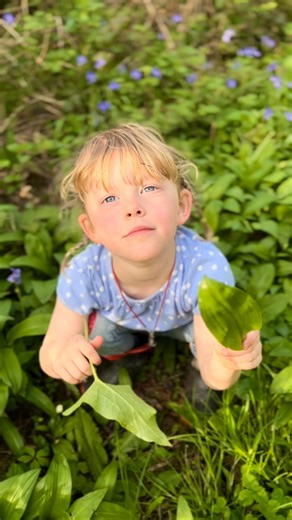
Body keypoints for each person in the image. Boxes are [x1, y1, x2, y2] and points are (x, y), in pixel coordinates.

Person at [39, 123, 262, 395]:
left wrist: (227, 363)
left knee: (212, 353)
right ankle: (121, 355)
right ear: (91, 229)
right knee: (98, 333)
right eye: (110, 198)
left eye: (148, 188)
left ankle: (197, 371)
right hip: (122, 320)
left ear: (182, 206)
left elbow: (221, 377)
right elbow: (52, 348)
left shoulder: (205, 269)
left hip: (185, 323)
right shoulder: (86, 271)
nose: (133, 208)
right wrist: (62, 356)